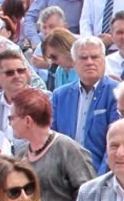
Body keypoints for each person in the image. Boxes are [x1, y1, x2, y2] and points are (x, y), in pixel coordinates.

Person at [9, 89, 93, 201]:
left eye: (12, 118)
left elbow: (88, 190)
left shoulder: (66, 148)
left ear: (28, 120)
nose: (10, 123)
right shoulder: (22, 154)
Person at [50, 35, 119, 172]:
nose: (89, 62)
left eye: (95, 57)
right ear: (74, 63)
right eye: (83, 58)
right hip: (64, 173)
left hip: (100, 172)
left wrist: (100, 180)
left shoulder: (117, 92)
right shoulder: (59, 95)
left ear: (104, 60)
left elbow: (116, 143)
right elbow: (52, 139)